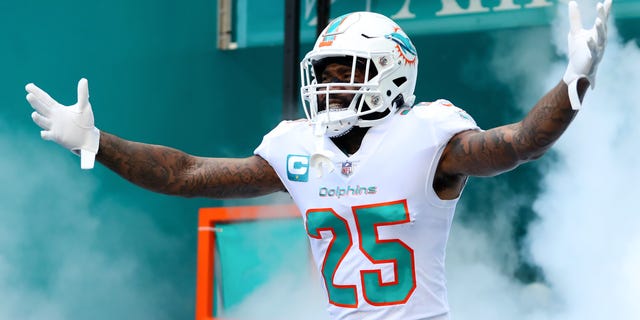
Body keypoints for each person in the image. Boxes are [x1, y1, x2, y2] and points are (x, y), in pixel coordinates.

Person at [25, 1, 612, 319]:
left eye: (346, 73)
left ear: (393, 77)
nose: (330, 88)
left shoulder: (429, 137)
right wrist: (97, 143)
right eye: (324, 75)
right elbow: (186, 173)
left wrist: (572, 83)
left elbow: (516, 144)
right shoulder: (295, 147)